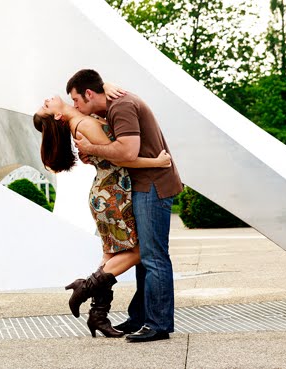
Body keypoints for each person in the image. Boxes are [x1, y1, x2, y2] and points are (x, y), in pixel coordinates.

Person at [33, 95, 171, 338]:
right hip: (113, 193)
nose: (47, 99)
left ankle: (98, 316)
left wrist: (106, 87)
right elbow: (121, 157)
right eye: (46, 106)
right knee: (141, 251)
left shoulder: (83, 120)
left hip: (106, 192)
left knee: (110, 257)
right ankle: (84, 288)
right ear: (56, 115)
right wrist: (156, 162)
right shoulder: (84, 124)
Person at [66, 69, 183, 342]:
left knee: (154, 257)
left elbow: (127, 152)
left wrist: (93, 148)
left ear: (90, 94)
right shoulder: (111, 106)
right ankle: (141, 318)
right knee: (144, 257)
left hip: (153, 184)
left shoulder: (121, 106)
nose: (75, 106)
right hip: (142, 184)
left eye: (76, 100)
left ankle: (159, 324)